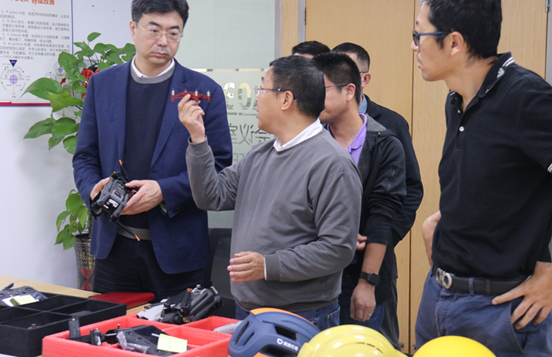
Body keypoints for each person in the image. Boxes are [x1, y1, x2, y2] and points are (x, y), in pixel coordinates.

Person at [413, 0, 552, 356]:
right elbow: (500, 182)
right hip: (438, 293)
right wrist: (443, 218)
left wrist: (550, 268)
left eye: (419, 35)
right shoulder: (457, 99)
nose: (414, 46)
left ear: (454, 43)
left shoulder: (527, 99)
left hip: (500, 310)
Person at [178, 55, 362, 330]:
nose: (256, 97)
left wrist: (268, 265)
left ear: (286, 99)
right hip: (248, 307)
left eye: (262, 88)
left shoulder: (332, 163)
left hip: (301, 314)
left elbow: (338, 249)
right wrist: (198, 138)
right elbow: (211, 196)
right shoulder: (260, 153)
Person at [72, 0, 232, 299]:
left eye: (173, 33)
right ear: (134, 29)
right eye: (154, 30)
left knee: (176, 330)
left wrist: (164, 191)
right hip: (114, 247)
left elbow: (219, 167)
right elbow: (85, 156)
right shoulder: (102, 84)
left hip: (177, 251)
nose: (163, 41)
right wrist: (92, 189)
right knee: (111, 327)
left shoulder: (204, 91)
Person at [332, 42, 423, 348]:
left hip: (372, 262)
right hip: (326, 269)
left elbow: (410, 191)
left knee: (376, 342)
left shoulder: (390, 126)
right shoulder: (319, 128)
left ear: (362, 81)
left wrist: (380, 240)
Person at [313, 52, 406, 336]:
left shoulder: (384, 143)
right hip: (313, 278)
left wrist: (367, 282)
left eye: (321, 90)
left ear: (349, 91)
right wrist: (335, 237)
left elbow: (383, 215)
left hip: (359, 276)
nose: (312, 99)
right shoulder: (311, 141)